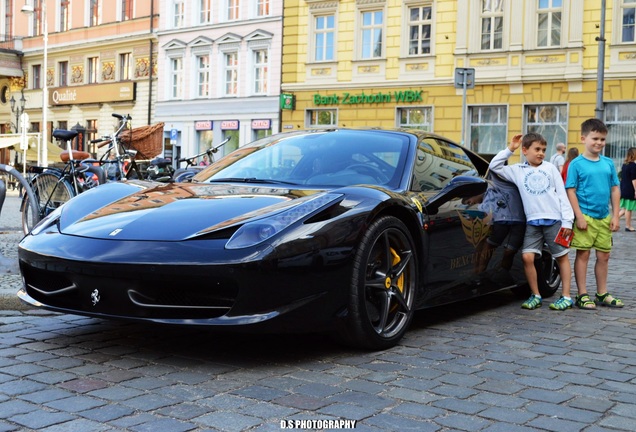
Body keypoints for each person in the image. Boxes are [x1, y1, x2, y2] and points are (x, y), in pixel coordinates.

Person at [489, 132, 574, 311]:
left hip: (554, 220)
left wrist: (567, 221)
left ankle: (566, 296)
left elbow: (562, 194)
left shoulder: (550, 168)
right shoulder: (517, 170)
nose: (541, 153)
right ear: (525, 150)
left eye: (543, 149)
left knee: (561, 257)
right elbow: (494, 166)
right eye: (537, 149)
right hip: (533, 222)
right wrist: (510, 149)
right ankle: (535, 295)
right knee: (527, 257)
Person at [566, 118, 623, 309]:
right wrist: (579, 216)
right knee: (583, 255)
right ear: (583, 138)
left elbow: (615, 189)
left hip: (604, 217)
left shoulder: (607, 163)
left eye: (602, 139)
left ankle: (602, 293)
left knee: (604, 256)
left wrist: (615, 215)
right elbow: (571, 190)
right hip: (586, 218)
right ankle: (582, 294)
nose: (599, 143)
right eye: (595, 138)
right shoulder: (576, 164)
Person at [619, 147, 636, 232]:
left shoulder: (624, 165)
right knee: (628, 209)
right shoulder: (633, 166)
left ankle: (611, 222)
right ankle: (628, 226)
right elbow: (634, 180)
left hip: (624, 188)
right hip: (630, 190)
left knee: (625, 209)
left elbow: (622, 178)